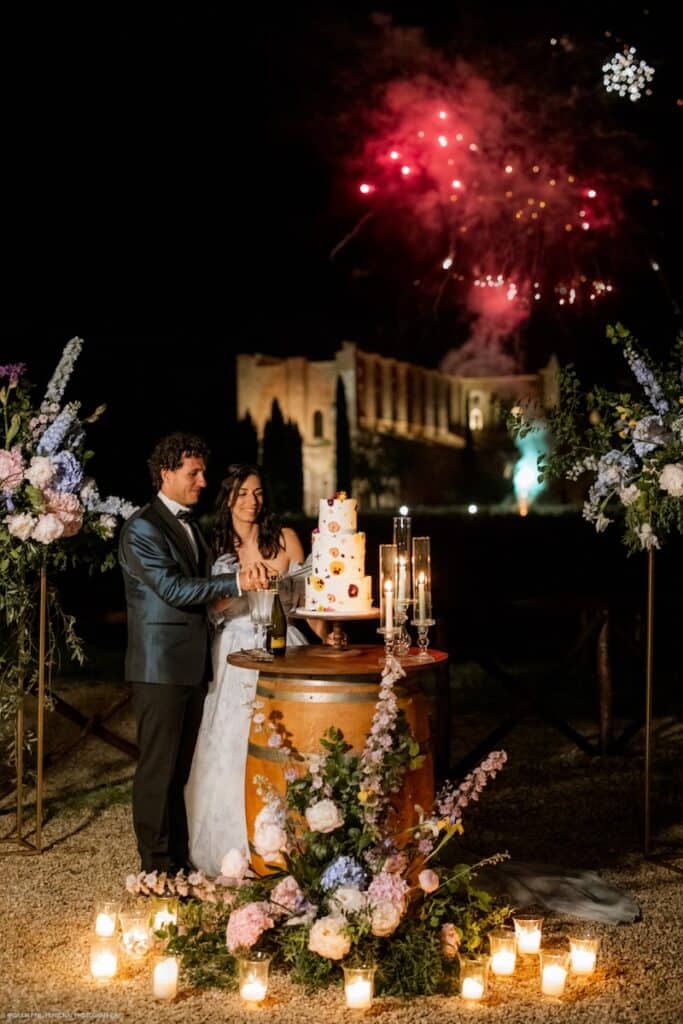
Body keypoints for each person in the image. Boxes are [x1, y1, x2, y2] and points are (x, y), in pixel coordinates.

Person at [118, 435, 268, 874]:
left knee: (181, 769)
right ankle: (155, 866)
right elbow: (174, 589)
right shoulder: (143, 528)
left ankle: (179, 860)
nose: (203, 481)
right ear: (166, 474)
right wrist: (238, 582)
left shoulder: (191, 526)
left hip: (191, 663)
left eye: (202, 472)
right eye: (193, 473)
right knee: (158, 769)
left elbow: (200, 595)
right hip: (160, 667)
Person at [185, 463, 319, 876]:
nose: (251, 501)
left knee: (290, 739)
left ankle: (298, 838)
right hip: (234, 647)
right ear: (228, 499)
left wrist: (329, 633)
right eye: (242, 493)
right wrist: (243, 583)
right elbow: (211, 605)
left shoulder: (286, 539)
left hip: (283, 643)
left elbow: (309, 605)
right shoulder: (213, 545)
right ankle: (234, 845)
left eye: (258, 493)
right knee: (233, 742)